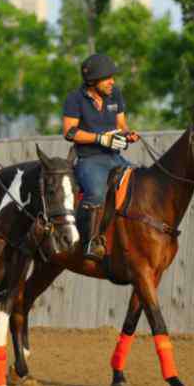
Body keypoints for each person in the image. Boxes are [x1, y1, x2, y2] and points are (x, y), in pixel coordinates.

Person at [62, 53, 140, 261]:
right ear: (93, 81)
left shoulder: (115, 95)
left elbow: (121, 124)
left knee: (138, 183)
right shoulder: (75, 99)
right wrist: (100, 139)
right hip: (89, 160)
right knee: (96, 194)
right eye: (107, 78)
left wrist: (128, 134)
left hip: (115, 157)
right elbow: (69, 132)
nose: (112, 82)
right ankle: (89, 243)